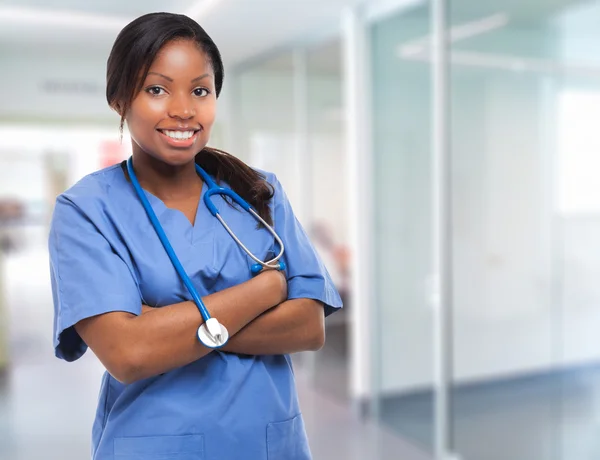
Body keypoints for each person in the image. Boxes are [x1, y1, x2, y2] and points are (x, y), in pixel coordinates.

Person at [48, 12, 342, 460]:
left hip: (266, 443)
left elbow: (308, 327)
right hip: (153, 445)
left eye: (200, 90)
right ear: (119, 99)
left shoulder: (258, 192)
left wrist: (165, 324)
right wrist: (266, 290)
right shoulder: (87, 210)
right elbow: (129, 354)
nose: (183, 109)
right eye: (157, 89)